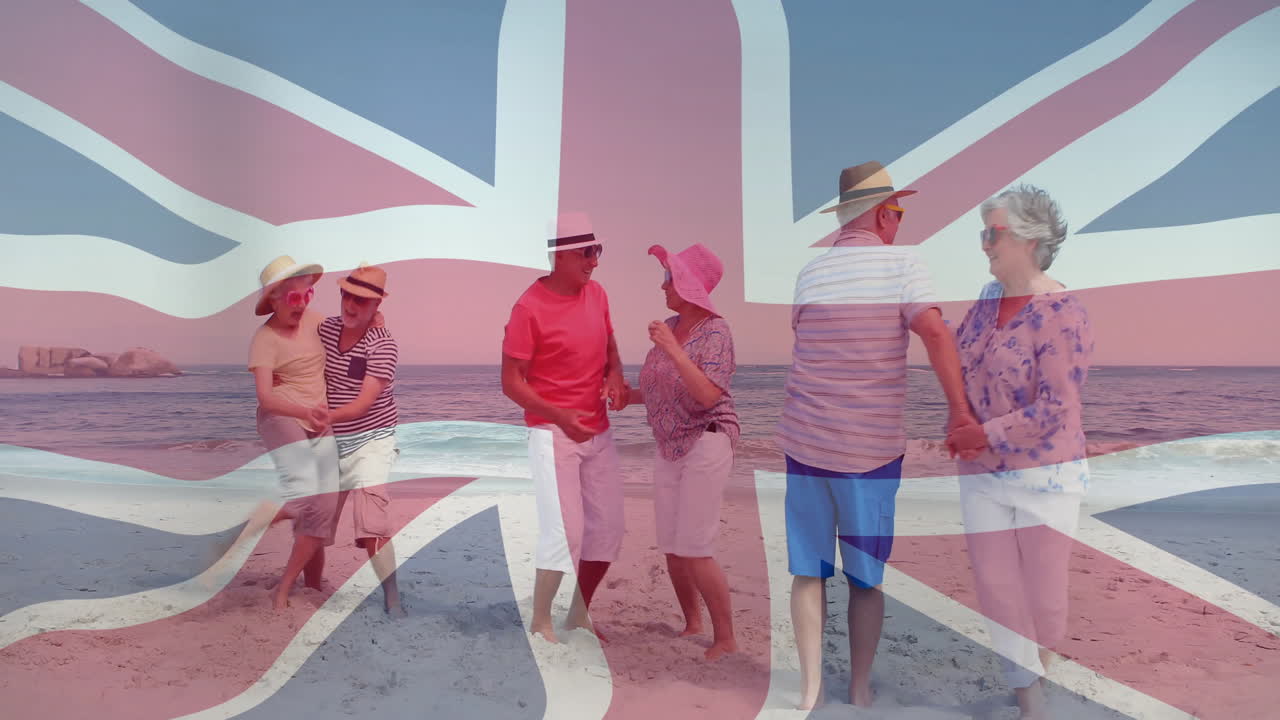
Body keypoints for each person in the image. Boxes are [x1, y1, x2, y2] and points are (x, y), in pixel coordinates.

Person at [776, 162, 978, 709]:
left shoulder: (810, 273)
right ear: (881, 213)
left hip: (804, 442)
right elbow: (934, 330)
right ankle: (860, 689)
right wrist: (959, 410)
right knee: (865, 579)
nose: (900, 222)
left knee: (808, 570)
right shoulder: (903, 263)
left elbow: (812, 345)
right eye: (898, 212)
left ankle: (810, 690)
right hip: (867, 451)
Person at [945, 184, 1094, 720]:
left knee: (1045, 598)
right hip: (980, 472)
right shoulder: (985, 303)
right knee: (997, 592)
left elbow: (1058, 406)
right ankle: (1030, 705)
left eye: (994, 233)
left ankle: (1035, 689)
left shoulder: (1064, 313)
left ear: (1030, 240)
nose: (984, 243)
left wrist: (985, 432)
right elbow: (956, 365)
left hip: (1046, 476)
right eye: (982, 233)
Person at [501, 212, 628, 643]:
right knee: (566, 531)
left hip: (598, 430)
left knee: (607, 529)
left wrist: (614, 376)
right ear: (558, 256)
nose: (594, 261)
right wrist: (559, 416)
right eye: (586, 253)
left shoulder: (598, 295)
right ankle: (541, 620)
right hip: (550, 433)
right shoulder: (528, 308)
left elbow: (611, 346)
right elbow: (510, 382)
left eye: (598, 251)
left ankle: (578, 613)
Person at [624, 243, 739, 660]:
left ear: (688, 285)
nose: (663, 285)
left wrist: (672, 348)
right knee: (672, 546)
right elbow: (662, 392)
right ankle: (693, 622)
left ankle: (725, 637)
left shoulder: (715, 331)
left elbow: (707, 393)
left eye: (669, 277)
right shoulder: (672, 325)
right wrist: (629, 396)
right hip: (668, 443)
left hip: (707, 438)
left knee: (694, 544)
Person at [244, 255, 341, 610]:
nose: (301, 306)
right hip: (281, 417)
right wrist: (305, 411)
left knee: (324, 507)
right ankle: (253, 521)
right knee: (305, 496)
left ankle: (310, 586)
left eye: (307, 296)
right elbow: (266, 398)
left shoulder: (320, 324)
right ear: (274, 299)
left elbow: (352, 346)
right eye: (293, 299)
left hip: (319, 421)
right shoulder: (265, 338)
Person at [317, 264, 405, 618]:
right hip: (331, 439)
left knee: (372, 524)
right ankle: (311, 586)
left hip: (372, 440)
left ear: (376, 305)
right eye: (348, 296)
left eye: (363, 301)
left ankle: (393, 598)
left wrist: (323, 416)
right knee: (318, 520)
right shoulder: (324, 330)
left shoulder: (384, 345)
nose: (352, 306)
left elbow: (364, 402)